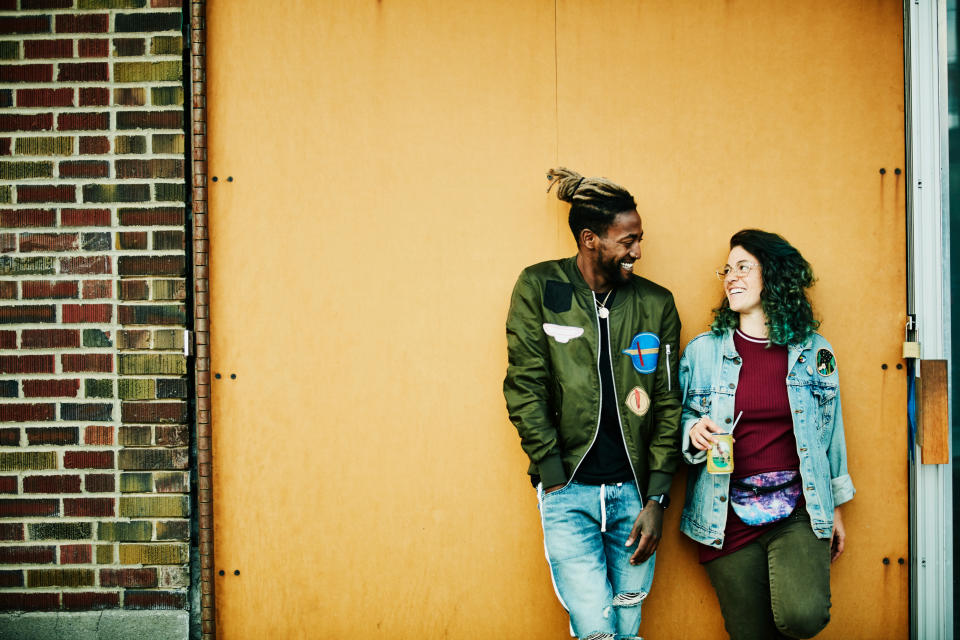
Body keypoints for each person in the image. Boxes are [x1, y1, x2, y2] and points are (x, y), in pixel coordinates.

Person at [503, 167, 682, 640]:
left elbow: (667, 400)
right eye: (628, 241)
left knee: (627, 621)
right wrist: (552, 474)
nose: (637, 252)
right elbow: (525, 385)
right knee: (594, 627)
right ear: (590, 240)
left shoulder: (655, 302)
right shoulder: (541, 288)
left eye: (639, 239)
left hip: (635, 495)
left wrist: (658, 495)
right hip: (569, 493)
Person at [679, 229, 855, 640]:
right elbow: (679, 415)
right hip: (724, 514)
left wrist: (835, 508)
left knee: (803, 616)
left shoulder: (815, 352)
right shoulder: (703, 351)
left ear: (773, 275)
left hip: (797, 508)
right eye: (727, 269)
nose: (730, 278)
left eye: (743, 267)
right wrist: (693, 429)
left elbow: (831, 433)